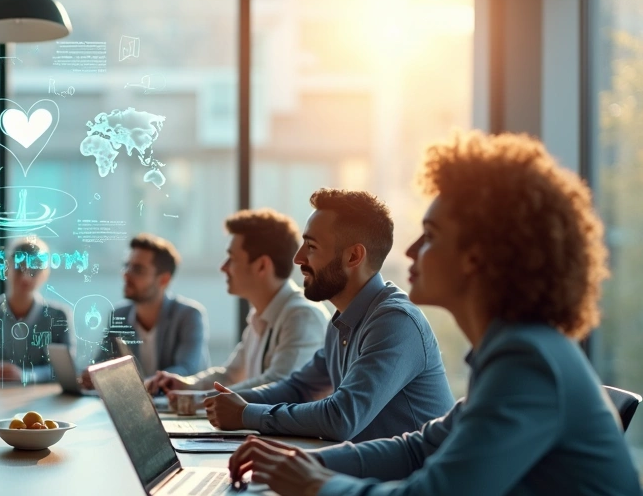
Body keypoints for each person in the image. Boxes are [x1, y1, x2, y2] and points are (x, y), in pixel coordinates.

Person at [230, 131, 643, 496]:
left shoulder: (528, 365)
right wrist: (301, 463)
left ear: (478, 257)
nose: (409, 253)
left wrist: (315, 486)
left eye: (431, 237)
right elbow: (416, 449)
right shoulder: (517, 354)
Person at [203, 189, 454, 442]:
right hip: (367, 475)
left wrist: (246, 414)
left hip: (406, 479)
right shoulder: (342, 321)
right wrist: (219, 402)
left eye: (311, 246)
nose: (298, 258)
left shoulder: (395, 321)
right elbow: (298, 388)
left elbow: (341, 417)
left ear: (353, 256)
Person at [146, 210, 329, 396]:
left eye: (232, 259)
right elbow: (230, 376)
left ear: (262, 266)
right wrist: (186, 385)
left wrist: (198, 399)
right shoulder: (260, 316)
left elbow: (277, 385)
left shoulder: (302, 316)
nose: (223, 267)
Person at [80, 234, 209, 388]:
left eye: (138, 269)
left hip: (178, 408)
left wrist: (145, 383)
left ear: (163, 280)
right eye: (126, 265)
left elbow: (187, 369)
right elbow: (102, 364)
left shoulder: (189, 315)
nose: (126, 274)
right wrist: (94, 374)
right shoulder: (119, 315)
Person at [0, 238, 73, 384]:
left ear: (44, 274)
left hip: (40, 403)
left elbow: (67, 370)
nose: (25, 278)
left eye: (34, 271)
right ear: (6, 269)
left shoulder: (59, 316)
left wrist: (26, 376)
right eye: (19, 268)